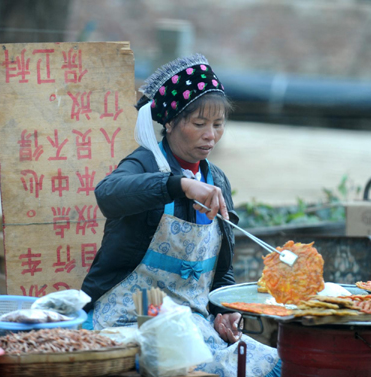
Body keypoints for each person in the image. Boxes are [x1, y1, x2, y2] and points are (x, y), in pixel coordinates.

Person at [81, 54, 281, 376]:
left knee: (270, 361)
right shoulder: (144, 163)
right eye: (199, 124)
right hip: (132, 314)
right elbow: (108, 194)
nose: (211, 135)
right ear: (171, 122)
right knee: (198, 365)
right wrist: (180, 185)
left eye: (218, 125)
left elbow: (221, 270)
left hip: (190, 319)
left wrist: (222, 311)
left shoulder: (216, 181)